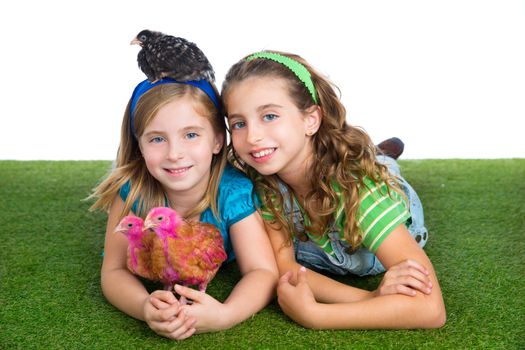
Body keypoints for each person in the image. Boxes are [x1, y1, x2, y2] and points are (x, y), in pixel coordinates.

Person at [221, 50, 446, 329]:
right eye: (239, 124)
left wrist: (315, 315)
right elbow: (285, 267)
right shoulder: (265, 181)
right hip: (320, 197)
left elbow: (431, 310)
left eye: (269, 116)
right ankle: (378, 153)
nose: (252, 136)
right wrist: (371, 297)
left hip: (377, 189)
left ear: (311, 120)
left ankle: (380, 156)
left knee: (379, 168)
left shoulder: (361, 192)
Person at [89, 76, 278, 339]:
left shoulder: (233, 193)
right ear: (139, 145)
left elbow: (262, 271)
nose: (174, 153)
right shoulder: (133, 190)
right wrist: (145, 307)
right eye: (157, 139)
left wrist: (227, 314)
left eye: (190, 135)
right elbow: (113, 270)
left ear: (217, 140)